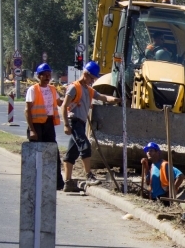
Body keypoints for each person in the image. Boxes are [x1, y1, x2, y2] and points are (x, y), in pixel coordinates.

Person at [60, 61, 121, 190]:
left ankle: (68, 183)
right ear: (86, 74)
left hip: (81, 123)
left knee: (71, 154)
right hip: (74, 121)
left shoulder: (88, 90)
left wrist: (115, 100)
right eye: (92, 78)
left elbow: (102, 97)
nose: (92, 81)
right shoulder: (74, 87)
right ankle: (88, 175)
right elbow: (64, 106)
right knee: (85, 146)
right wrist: (66, 125)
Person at [24, 63, 64, 190]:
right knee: (36, 154)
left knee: (53, 152)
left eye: (49, 75)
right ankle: (34, 182)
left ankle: (57, 182)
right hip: (36, 125)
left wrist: (72, 100)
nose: (47, 77)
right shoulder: (33, 90)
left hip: (48, 124)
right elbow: (27, 110)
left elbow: (60, 102)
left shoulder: (52, 89)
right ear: (39, 76)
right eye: (45, 75)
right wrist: (32, 130)